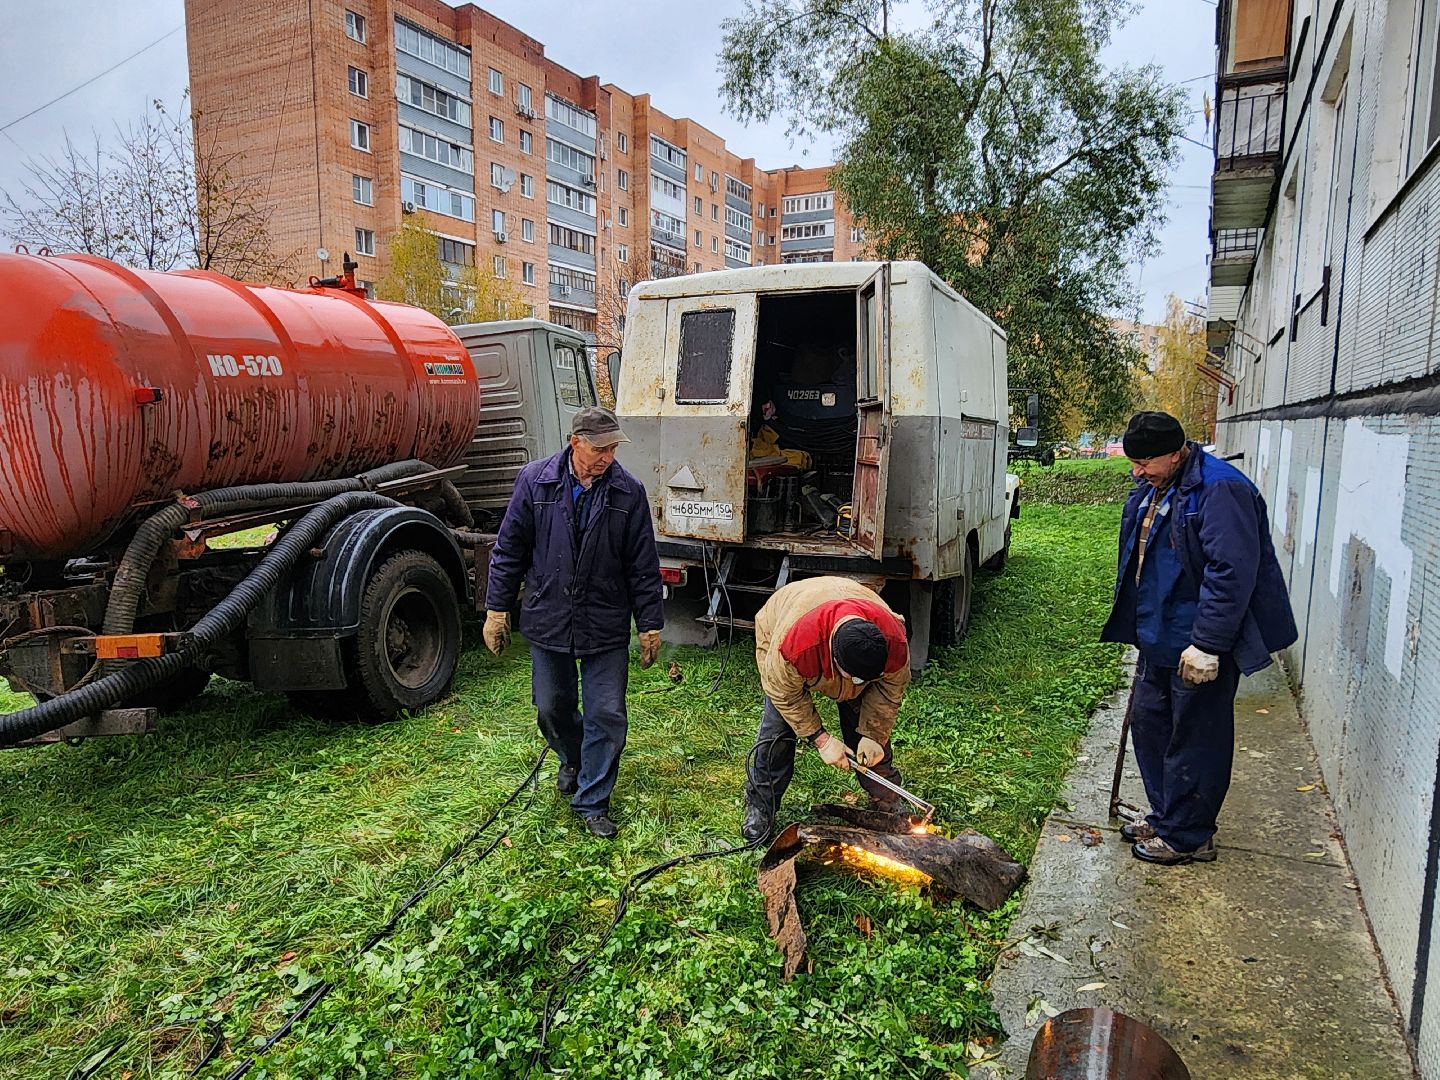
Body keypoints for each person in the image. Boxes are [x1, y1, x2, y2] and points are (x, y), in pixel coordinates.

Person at [1100, 411, 1297, 866]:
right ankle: (1168, 814)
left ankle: (1190, 835)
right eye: (1133, 462)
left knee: (1196, 736)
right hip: (1159, 635)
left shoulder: (1220, 490)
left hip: (1198, 640)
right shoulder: (1156, 487)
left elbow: (1231, 572)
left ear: (1176, 452)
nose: (1137, 471)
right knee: (1151, 726)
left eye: (1145, 461)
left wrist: (1209, 643)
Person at [483, 406, 664, 840]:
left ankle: (593, 799)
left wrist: (651, 624)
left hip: (604, 620)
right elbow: (509, 550)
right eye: (599, 448)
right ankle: (573, 756)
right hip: (549, 616)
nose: (607, 457)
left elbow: (643, 564)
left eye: (613, 448)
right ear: (575, 442)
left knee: (606, 712)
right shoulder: (536, 481)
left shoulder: (627, 492)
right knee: (551, 706)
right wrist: (496, 609)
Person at [741, 576, 911, 842]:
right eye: (856, 679)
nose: (860, 685)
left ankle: (886, 803)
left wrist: (874, 736)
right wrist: (820, 739)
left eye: (869, 679)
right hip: (786, 616)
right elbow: (784, 694)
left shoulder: (893, 641)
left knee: (868, 735)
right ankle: (760, 805)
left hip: (843, 603)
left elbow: (889, 690)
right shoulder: (795, 646)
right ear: (833, 659)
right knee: (778, 730)